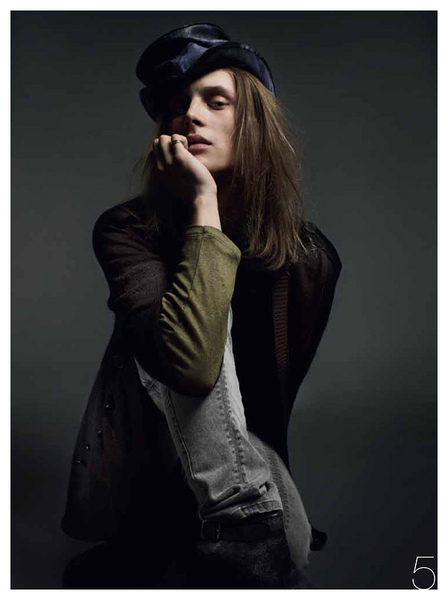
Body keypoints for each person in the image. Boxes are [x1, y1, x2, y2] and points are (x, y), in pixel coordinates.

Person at [61, 23, 342, 589]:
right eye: (176, 106)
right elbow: (188, 365)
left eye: (215, 101)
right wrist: (203, 208)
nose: (189, 115)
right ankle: (241, 521)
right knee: (188, 317)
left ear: (254, 123)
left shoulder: (309, 258)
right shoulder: (127, 229)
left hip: (249, 462)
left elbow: (269, 404)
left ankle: (250, 522)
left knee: (281, 551)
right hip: (147, 472)